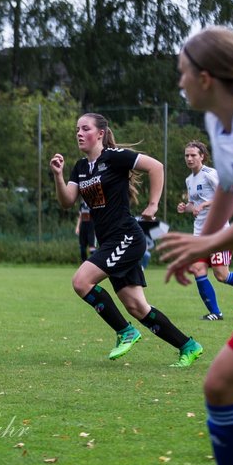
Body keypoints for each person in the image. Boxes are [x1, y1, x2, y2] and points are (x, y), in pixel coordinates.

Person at [158, 26, 233, 465]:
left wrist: (209, 243)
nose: (179, 82)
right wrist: (203, 244)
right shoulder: (218, 121)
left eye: (182, 72)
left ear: (204, 76)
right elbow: (232, 188)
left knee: (221, 384)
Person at [49, 113, 202, 367]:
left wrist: (153, 205)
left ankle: (125, 332)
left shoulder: (114, 157)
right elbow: (66, 202)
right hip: (109, 241)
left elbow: (156, 167)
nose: (79, 133)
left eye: (85, 129)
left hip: (127, 237)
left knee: (81, 281)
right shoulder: (80, 167)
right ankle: (188, 345)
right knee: (137, 307)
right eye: (77, 129)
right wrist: (58, 175)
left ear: (100, 133)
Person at [177, 140, 233, 320]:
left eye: (193, 155)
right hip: (200, 235)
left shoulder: (210, 174)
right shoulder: (189, 180)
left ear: (202, 157)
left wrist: (205, 203)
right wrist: (186, 207)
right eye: (187, 155)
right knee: (197, 269)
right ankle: (215, 312)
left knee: (222, 275)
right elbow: (194, 205)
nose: (189, 158)